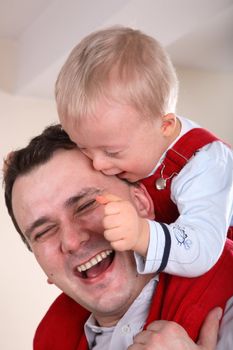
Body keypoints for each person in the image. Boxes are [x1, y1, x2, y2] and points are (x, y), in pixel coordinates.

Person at [3, 124, 233, 349]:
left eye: (86, 205)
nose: (72, 241)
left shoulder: (227, 286)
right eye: (44, 232)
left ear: (142, 203)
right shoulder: (48, 340)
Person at [55, 26, 233, 278]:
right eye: (85, 148)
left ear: (165, 126)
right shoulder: (130, 141)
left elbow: (201, 251)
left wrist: (141, 234)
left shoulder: (205, 161)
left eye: (111, 152)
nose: (98, 164)